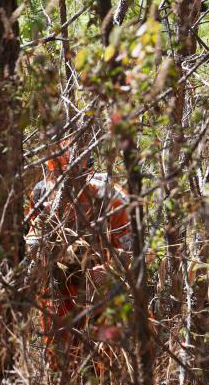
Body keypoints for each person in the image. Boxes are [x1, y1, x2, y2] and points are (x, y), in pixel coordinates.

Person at [28, 142, 132, 376]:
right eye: (56, 173)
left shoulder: (110, 197)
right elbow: (31, 241)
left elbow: (133, 250)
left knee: (100, 367)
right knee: (59, 366)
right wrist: (36, 241)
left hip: (100, 298)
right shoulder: (42, 193)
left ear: (86, 167)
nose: (63, 184)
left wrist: (110, 272)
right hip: (58, 296)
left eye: (70, 173)